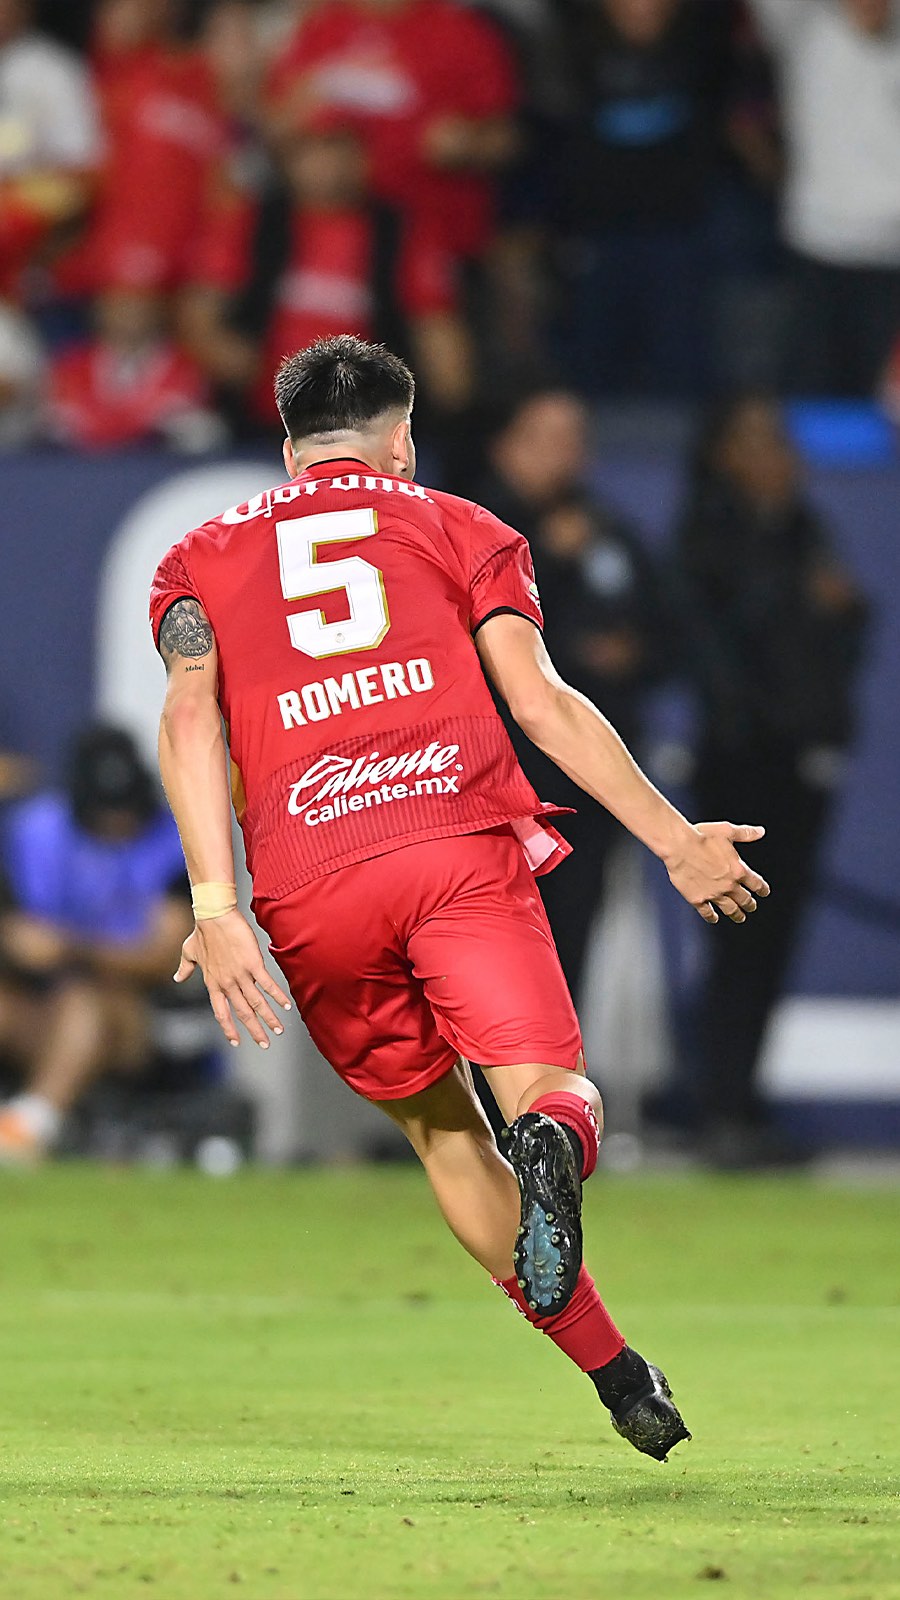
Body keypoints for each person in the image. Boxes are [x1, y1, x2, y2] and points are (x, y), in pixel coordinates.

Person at [150, 335, 770, 1462]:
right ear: (403, 440)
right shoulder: (460, 525)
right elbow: (539, 702)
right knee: (546, 1094)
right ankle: (549, 1137)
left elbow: (191, 719)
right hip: (450, 842)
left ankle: (617, 1372)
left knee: (442, 1130)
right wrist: (675, 839)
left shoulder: (198, 558)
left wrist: (213, 899)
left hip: (308, 881)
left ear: (291, 449)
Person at [670, 395, 868, 1166]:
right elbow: (720, 645)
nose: (776, 455)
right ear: (722, 455)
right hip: (744, 758)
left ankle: (742, 1102)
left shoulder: (800, 526)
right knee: (738, 935)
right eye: (754, 441)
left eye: (777, 440)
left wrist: (840, 616)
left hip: (800, 756)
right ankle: (720, 1102)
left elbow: (840, 633)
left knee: (775, 937)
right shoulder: (713, 534)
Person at [474, 388, 665, 1003]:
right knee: (490, 948)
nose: (567, 455)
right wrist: (554, 565)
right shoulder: (468, 532)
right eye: (547, 439)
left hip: (588, 783)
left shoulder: (611, 532)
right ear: (506, 448)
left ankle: (555, 1091)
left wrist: (636, 653)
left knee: (571, 941)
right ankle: (486, 1094)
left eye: (576, 439)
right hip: (495, 782)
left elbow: (675, 632)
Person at [0, 727, 194, 1164]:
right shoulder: (33, 833)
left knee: (83, 1002)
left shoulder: (170, 841)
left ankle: (29, 1125)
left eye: (125, 809)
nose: (116, 823)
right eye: (102, 811)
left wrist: (72, 948)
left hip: (132, 1020)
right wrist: (17, 943)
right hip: (37, 1005)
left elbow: (165, 957)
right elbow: (15, 932)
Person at [750, 0, 900, 395]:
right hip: (816, 245)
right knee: (808, 394)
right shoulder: (806, 30)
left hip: (893, 255)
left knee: (887, 402)